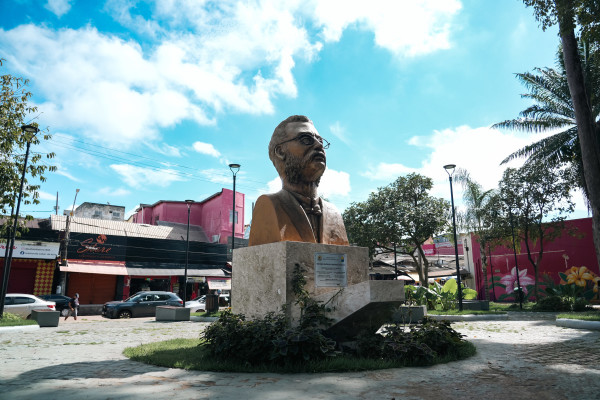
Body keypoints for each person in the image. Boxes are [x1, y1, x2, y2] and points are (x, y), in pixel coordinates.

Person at [248, 115, 349, 246]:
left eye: (320, 141)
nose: (319, 145)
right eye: (306, 139)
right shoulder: (268, 206)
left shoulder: (334, 213)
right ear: (280, 151)